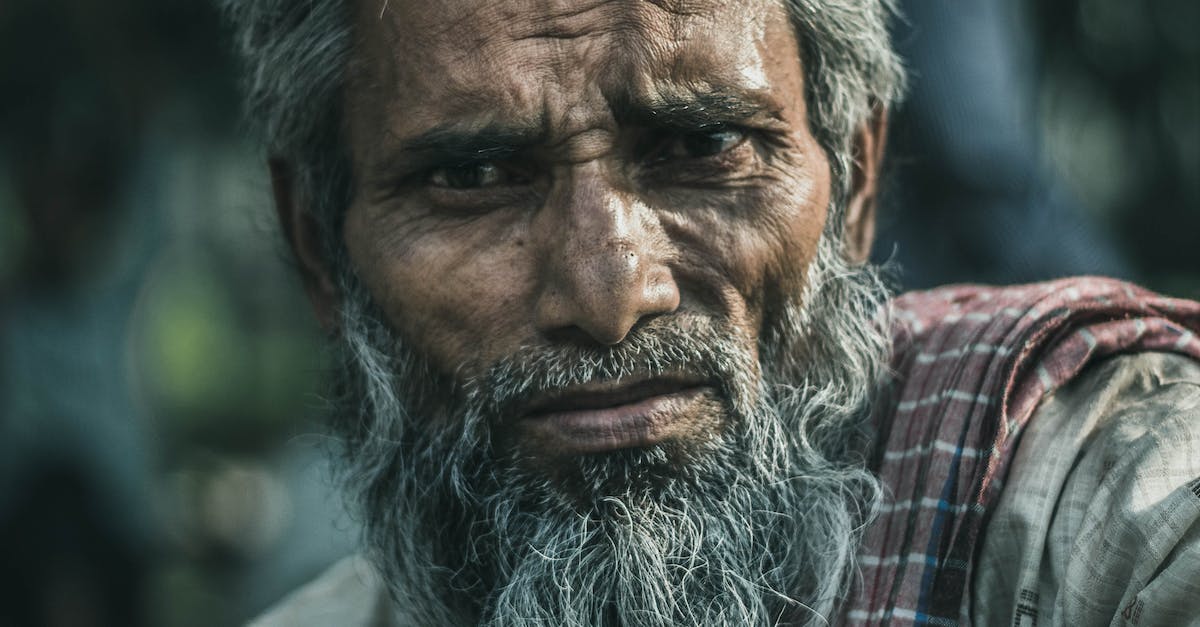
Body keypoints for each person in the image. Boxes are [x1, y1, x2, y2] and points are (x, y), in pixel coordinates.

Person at [222, 0, 1200, 624]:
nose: (610, 298)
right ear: (319, 244)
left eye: (702, 149)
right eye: (474, 175)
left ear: (855, 182)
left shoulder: (1084, 493)